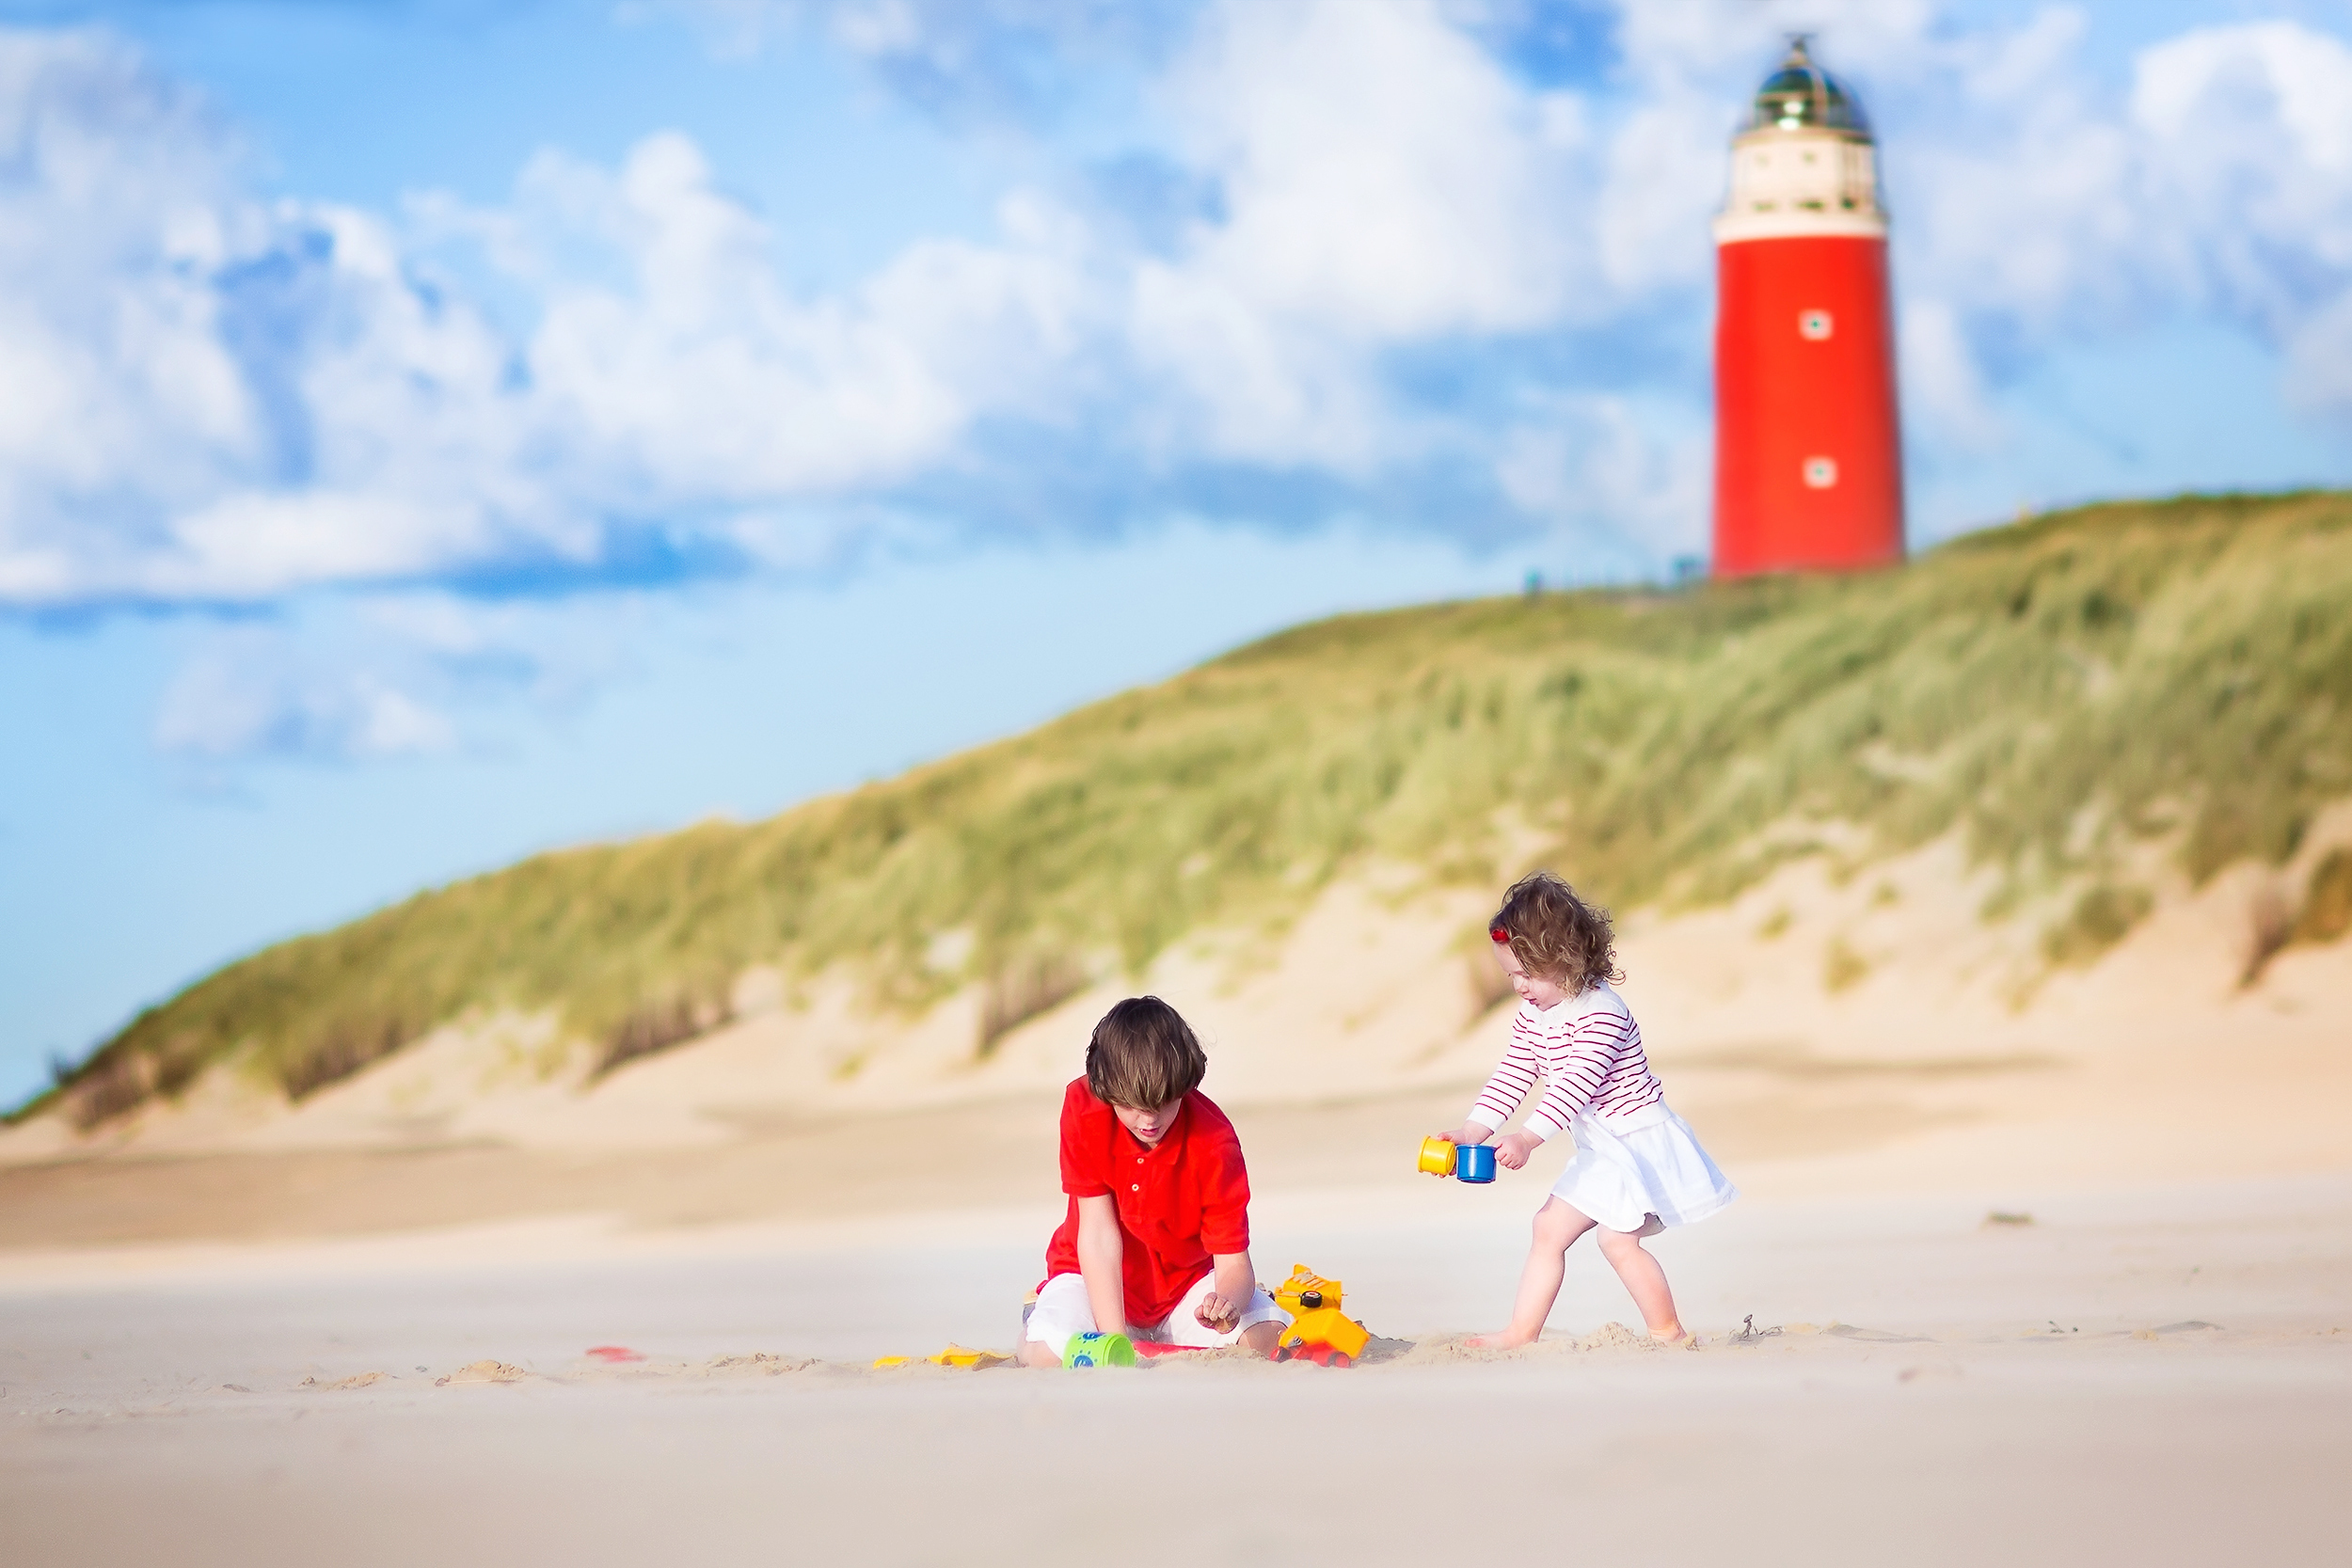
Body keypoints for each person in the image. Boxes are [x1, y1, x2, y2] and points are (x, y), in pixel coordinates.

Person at [1432, 871, 1736, 1347]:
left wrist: (1528, 1137)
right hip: (1603, 1147)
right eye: (1510, 974)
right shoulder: (1535, 1014)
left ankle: (1669, 1333)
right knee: (1549, 1228)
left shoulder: (1602, 1013)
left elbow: (1574, 1086)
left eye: (1527, 974)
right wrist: (1474, 1129)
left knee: (1616, 1241)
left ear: (1567, 959)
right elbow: (1514, 1074)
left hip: (1637, 1143)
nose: (1518, 987)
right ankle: (1521, 1332)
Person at [1019, 996, 1287, 1366]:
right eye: (1131, 1104)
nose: (1149, 1120)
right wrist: (1115, 1339)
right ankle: (1041, 1314)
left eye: (1163, 1102)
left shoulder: (1214, 1143)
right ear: (1106, 1089)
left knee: (1266, 1340)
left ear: (1182, 1085)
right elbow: (1097, 1232)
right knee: (1046, 1354)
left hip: (1185, 1289)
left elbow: (1233, 1263)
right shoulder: (1082, 1105)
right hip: (1089, 1277)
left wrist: (1228, 1301)